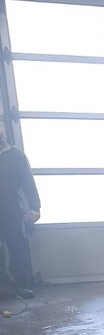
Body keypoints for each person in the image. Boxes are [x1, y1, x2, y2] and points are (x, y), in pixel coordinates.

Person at [0, 126, 41, 299]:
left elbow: (28, 183)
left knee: (18, 249)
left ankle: (22, 286)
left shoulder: (17, 157)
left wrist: (35, 208)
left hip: (12, 210)